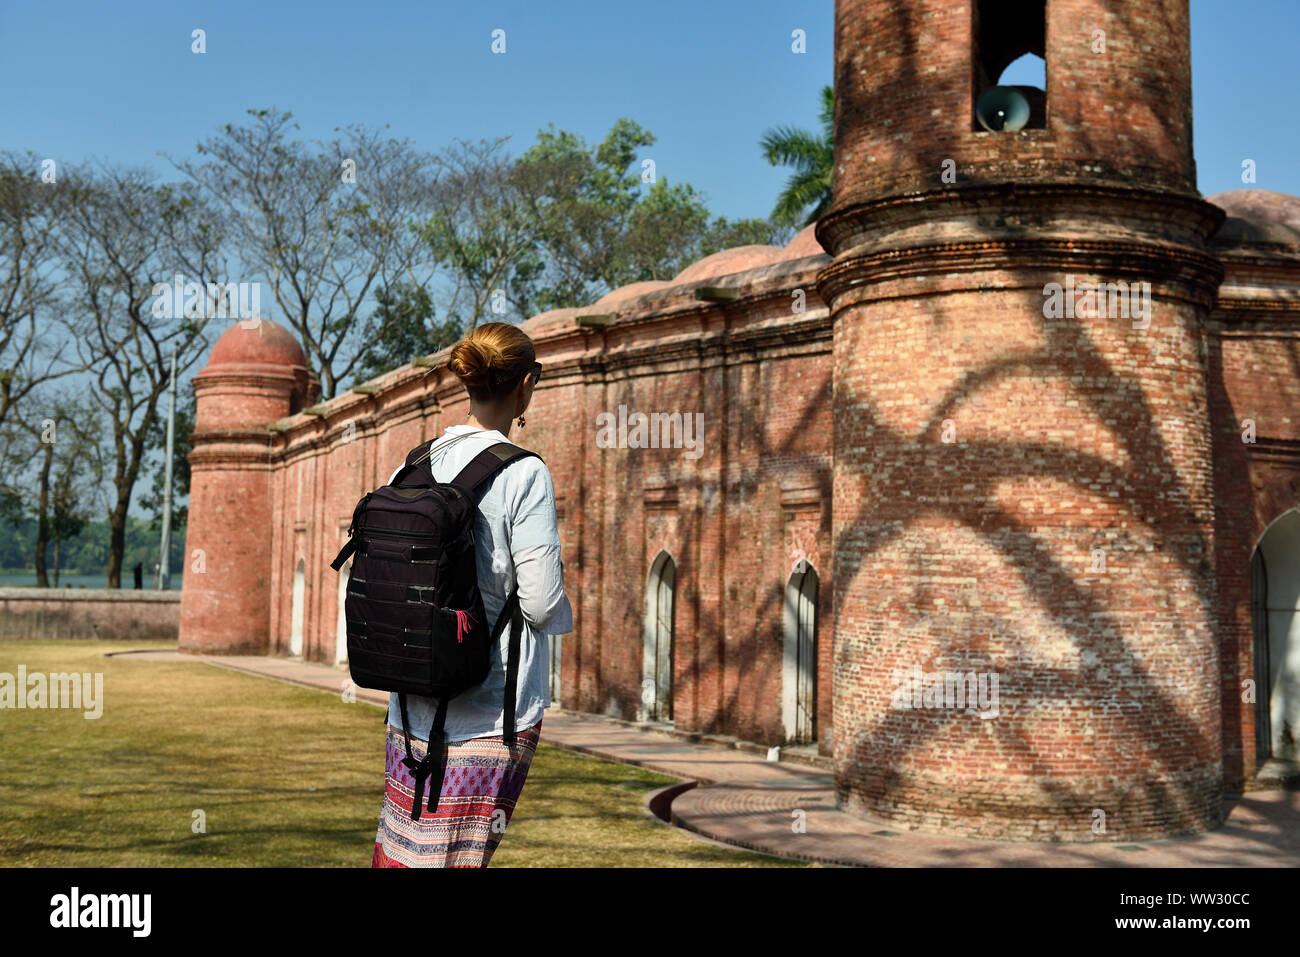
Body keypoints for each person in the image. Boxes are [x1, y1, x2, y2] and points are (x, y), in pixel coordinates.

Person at [371, 321, 572, 868]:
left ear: (469, 380)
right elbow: (541, 601)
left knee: (402, 846)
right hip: (491, 706)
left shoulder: (413, 462)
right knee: (459, 856)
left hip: (408, 700)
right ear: (526, 384)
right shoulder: (525, 472)